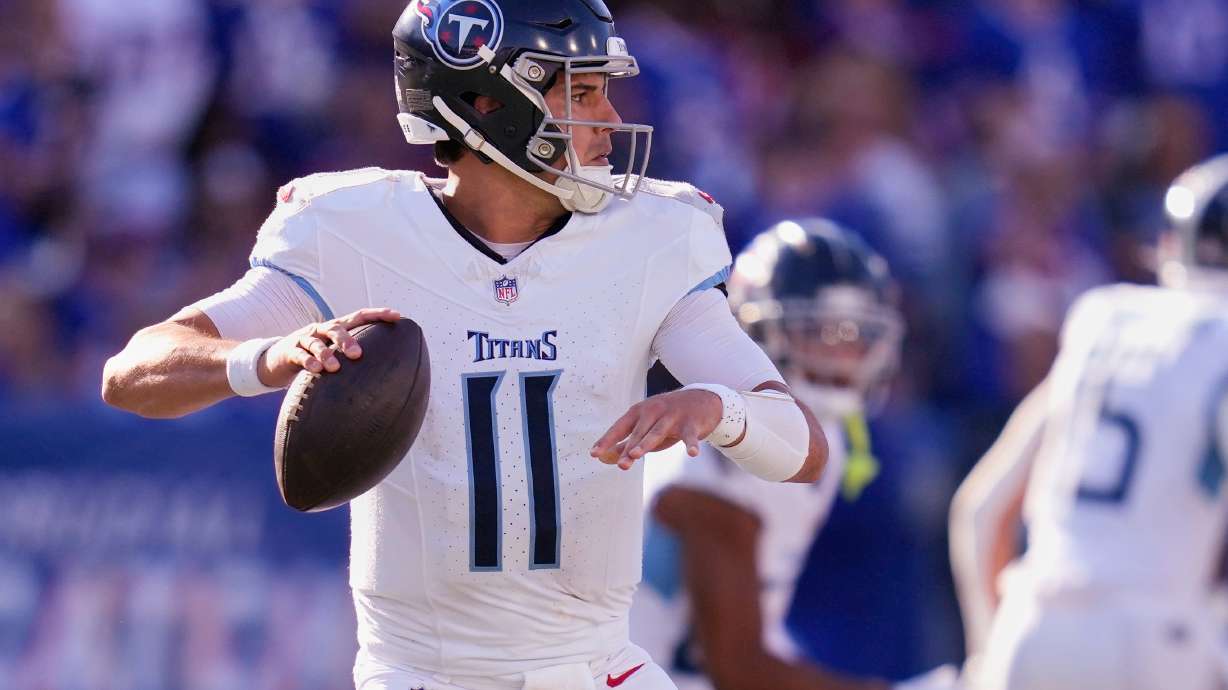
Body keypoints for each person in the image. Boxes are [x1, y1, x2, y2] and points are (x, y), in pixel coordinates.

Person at [100, 1, 829, 689]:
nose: (610, 120)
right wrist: (267, 359)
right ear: (489, 104)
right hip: (423, 673)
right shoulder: (354, 231)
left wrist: (719, 408)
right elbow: (131, 373)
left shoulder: (654, 237)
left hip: (595, 667)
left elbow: (802, 448)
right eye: (583, 93)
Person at [630, 219, 955, 690]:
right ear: (758, 332)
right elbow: (738, 667)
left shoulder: (829, 436)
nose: (841, 357)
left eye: (856, 335)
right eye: (818, 333)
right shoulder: (717, 464)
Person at [949, 153, 1228, 690]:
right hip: (1155, 638)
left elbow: (981, 511)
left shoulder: (1107, 319)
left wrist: (989, 656)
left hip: (1031, 626)